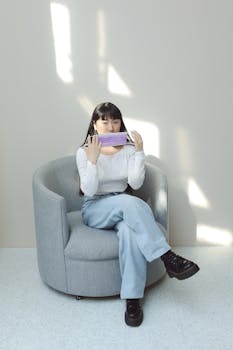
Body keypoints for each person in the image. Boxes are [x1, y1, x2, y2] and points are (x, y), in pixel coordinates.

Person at [76, 102, 199, 327]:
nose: (111, 127)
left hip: (124, 206)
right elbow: (90, 190)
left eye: (115, 121)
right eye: (105, 121)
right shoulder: (83, 153)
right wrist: (93, 159)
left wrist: (140, 152)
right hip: (95, 207)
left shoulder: (129, 150)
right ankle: (168, 257)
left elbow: (135, 182)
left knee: (130, 233)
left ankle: (132, 300)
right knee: (130, 202)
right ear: (95, 124)